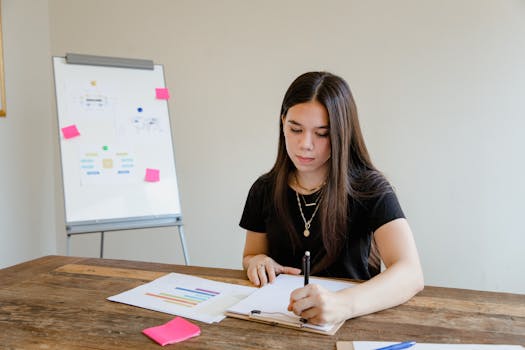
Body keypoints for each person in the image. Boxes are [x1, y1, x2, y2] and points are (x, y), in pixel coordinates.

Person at [240, 71, 424, 326]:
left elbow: (411, 273)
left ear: (342, 133)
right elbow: (251, 254)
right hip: (278, 323)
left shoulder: (370, 188)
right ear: (283, 122)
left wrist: (343, 304)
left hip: (352, 324)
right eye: (295, 129)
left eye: (322, 133)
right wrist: (257, 262)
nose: (305, 144)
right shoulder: (263, 189)